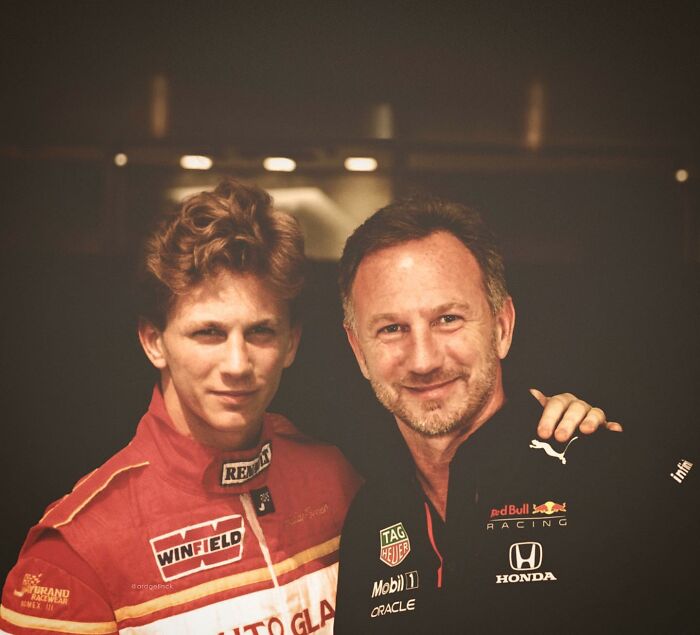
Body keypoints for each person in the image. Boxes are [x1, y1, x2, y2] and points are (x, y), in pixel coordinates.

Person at [0, 180, 619, 635]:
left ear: (292, 343)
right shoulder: (74, 551)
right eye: (208, 333)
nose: (238, 363)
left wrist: (559, 429)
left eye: (261, 332)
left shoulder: (340, 476)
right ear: (153, 341)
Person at [333, 197, 697, 634]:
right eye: (391, 328)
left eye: (448, 319)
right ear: (359, 351)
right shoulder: (368, 519)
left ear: (502, 327)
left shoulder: (612, 472)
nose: (423, 360)